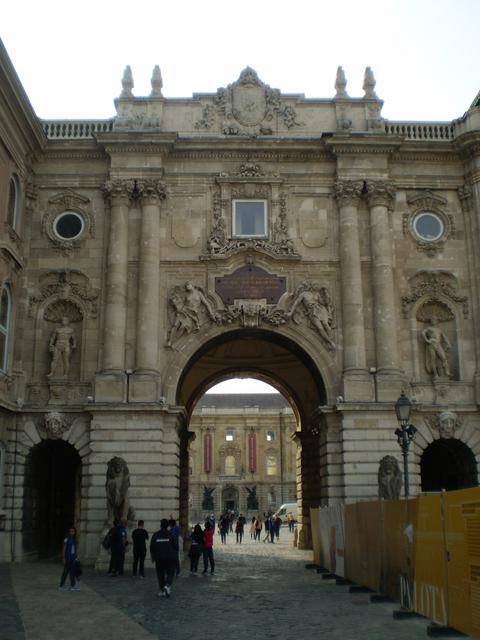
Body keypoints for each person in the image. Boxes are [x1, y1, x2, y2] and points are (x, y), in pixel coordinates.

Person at [150, 518, 178, 597]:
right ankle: (167, 585)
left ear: (160, 525)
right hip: (170, 558)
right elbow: (176, 546)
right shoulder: (171, 535)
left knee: (160, 574)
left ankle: (162, 590)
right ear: (167, 526)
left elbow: (152, 547)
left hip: (159, 558)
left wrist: (153, 557)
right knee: (170, 573)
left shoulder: (155, 535)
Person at [59, 526, 79, 591]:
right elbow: (64, 549)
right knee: (65, 572)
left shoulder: (74, 539)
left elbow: (75, 549)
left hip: (73, 558)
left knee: (72, 572)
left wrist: (76, 557)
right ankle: (61, 585)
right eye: (70, 531)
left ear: (75, 532)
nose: (72, 532)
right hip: (68, 558)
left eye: (73, 531)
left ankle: (72, 586)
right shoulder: (66, 539)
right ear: (69, 532)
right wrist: (63, 558)